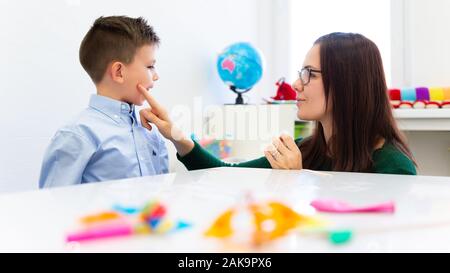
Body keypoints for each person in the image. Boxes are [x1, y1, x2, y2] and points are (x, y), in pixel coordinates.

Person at [137, 32, 416, 175]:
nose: (296, 84)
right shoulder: (307, 152)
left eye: (309, 74)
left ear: (346, 84)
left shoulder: (393, 166)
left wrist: (298, 183)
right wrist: (177, 135)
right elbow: (226, 176)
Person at [39, 16, 168, 188]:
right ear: (119, 72)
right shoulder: (78, 135)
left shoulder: (151, 131)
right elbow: (53, 206)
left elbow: (165, 193)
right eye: (150, 66)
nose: (156, 75)